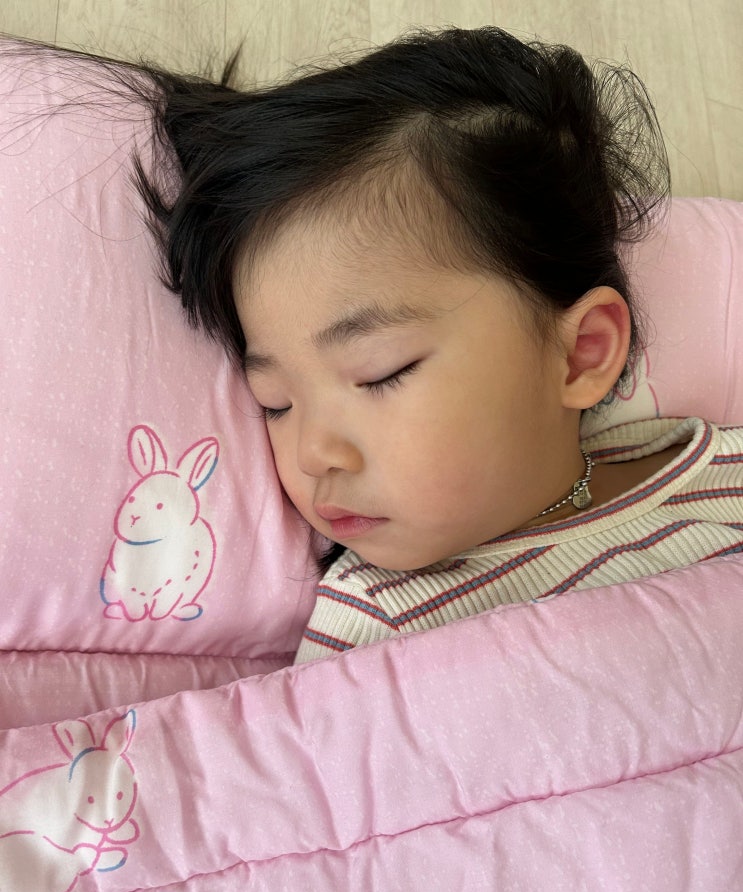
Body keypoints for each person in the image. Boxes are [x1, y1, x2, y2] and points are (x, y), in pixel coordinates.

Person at [134, 27, 743, 663]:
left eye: (380, 373)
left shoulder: (722, 472)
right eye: (276, 403)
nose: (313, 454)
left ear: (580, 353)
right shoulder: (371, 631)